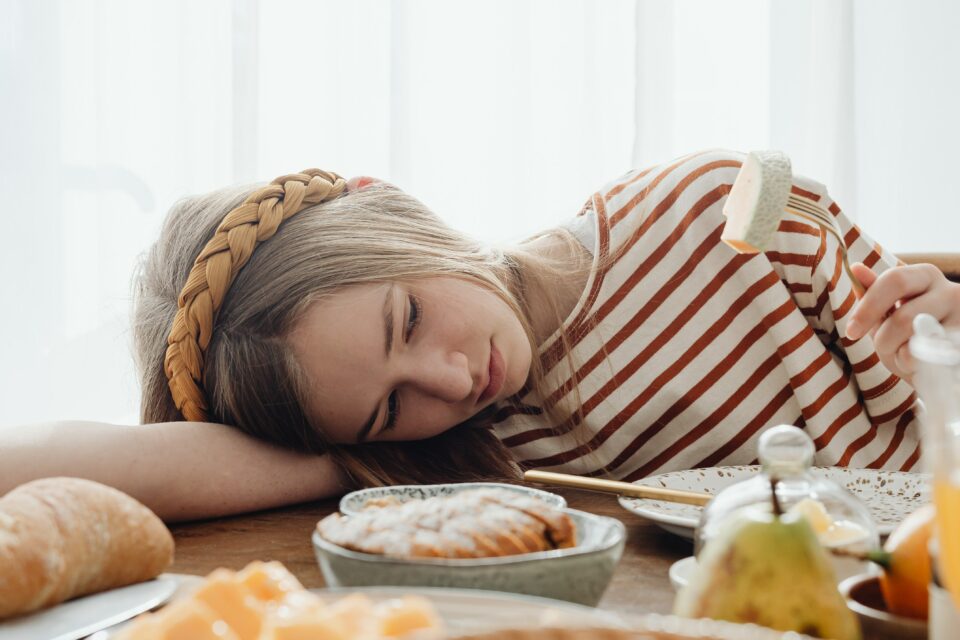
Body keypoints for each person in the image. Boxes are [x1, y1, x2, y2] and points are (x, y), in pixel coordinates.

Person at [3, 150, 955, 522]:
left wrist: (942, 332)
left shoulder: (711, 211)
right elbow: (47, 466)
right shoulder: (449, 457)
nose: (452, 380)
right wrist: (357, 449)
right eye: (388, 404)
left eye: (406, 319)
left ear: (390, 206)